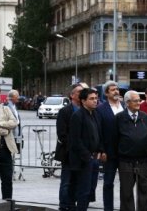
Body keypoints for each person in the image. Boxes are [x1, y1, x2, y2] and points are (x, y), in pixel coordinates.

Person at [115, 90, 147, 211]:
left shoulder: (145, 117)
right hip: (126, 161)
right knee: (126, 193)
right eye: (135, 101)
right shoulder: (119, 118)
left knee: (144, 191)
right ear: (127, 103)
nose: (139, 103)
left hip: (144, 161)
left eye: (139, 100)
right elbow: (114, 139)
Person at [68, 88, 102, 211]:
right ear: (83, 101)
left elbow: (99, 134)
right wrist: (88, 157)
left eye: (96, 98)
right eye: (91, 99)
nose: (95, 101)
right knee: (83, 191)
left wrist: (100, 152)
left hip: (94, 159)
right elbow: (75, 140)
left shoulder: (96, 114)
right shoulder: (77, 116)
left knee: (90, 190)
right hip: (83, 161)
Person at [55, 83, 85, 211]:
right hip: (68, 154)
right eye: (79, 92)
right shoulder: (64, 111)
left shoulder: (86, 110)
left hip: (83, 154)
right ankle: (63, 206)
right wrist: (75, 147)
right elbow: (62, 134)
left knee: (78, 182)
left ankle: (73, 205)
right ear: (72, 95)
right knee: (66, 182)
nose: (81, 94)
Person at [95, 81, 124, 211]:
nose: (116, 91)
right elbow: (98, 131)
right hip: (109, 152)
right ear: (106, 93)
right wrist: (101, 150)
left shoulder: (125, 106)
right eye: (112, 90)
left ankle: (126, 207)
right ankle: (108, 208)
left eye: (117, 89)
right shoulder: (101, 109)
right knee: (108, 183)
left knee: (126, 184)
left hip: (125, 152)